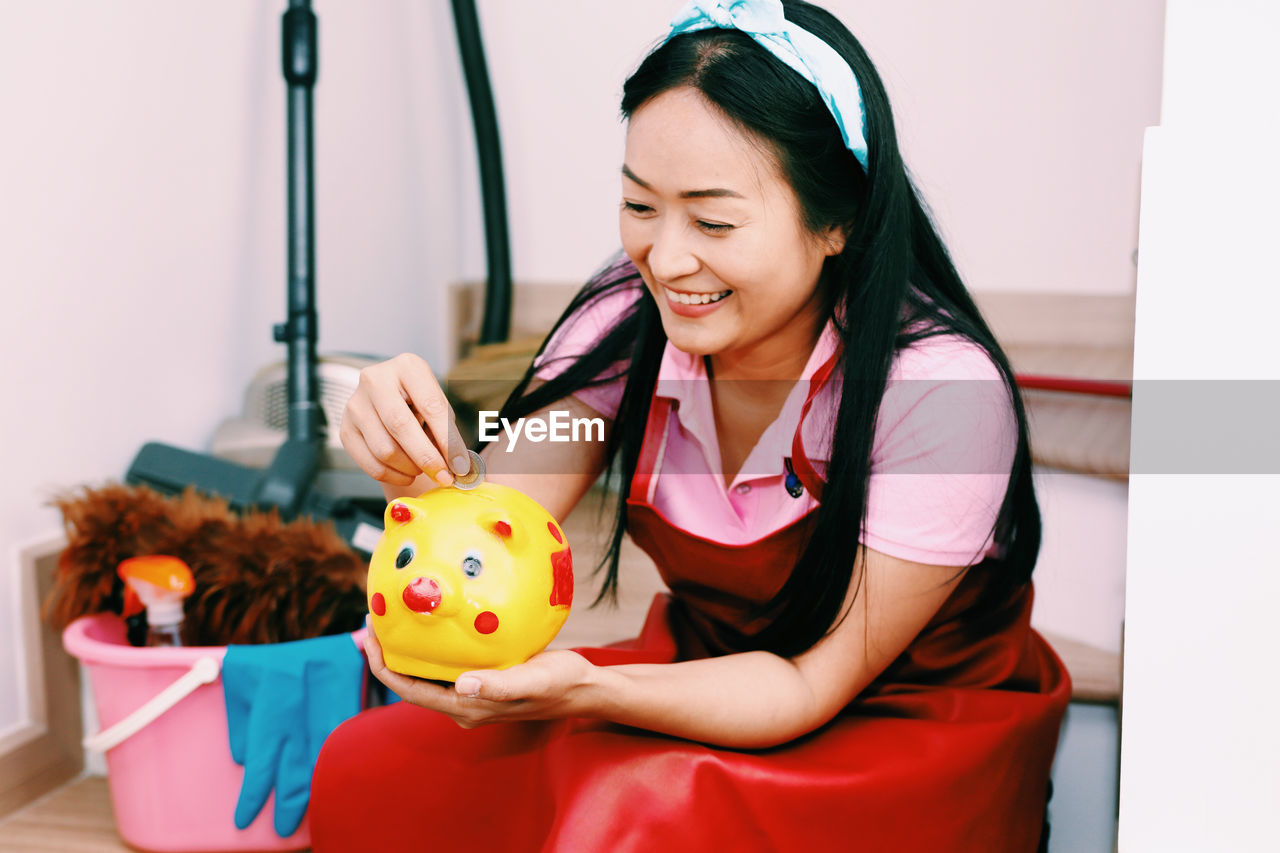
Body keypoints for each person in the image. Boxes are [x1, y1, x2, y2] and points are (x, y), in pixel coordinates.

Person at [311, 1, 1070, 850]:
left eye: (713, 221)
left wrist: (592, 692)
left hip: (906, 718)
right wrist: (414, 471)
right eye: (640, 206)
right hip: (711, 680)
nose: (666, 260)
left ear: (836, 223)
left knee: (634, 810)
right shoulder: (623, 323)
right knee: (369, 766)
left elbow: (805, 686)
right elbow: (497, 518)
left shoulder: (936, 394)